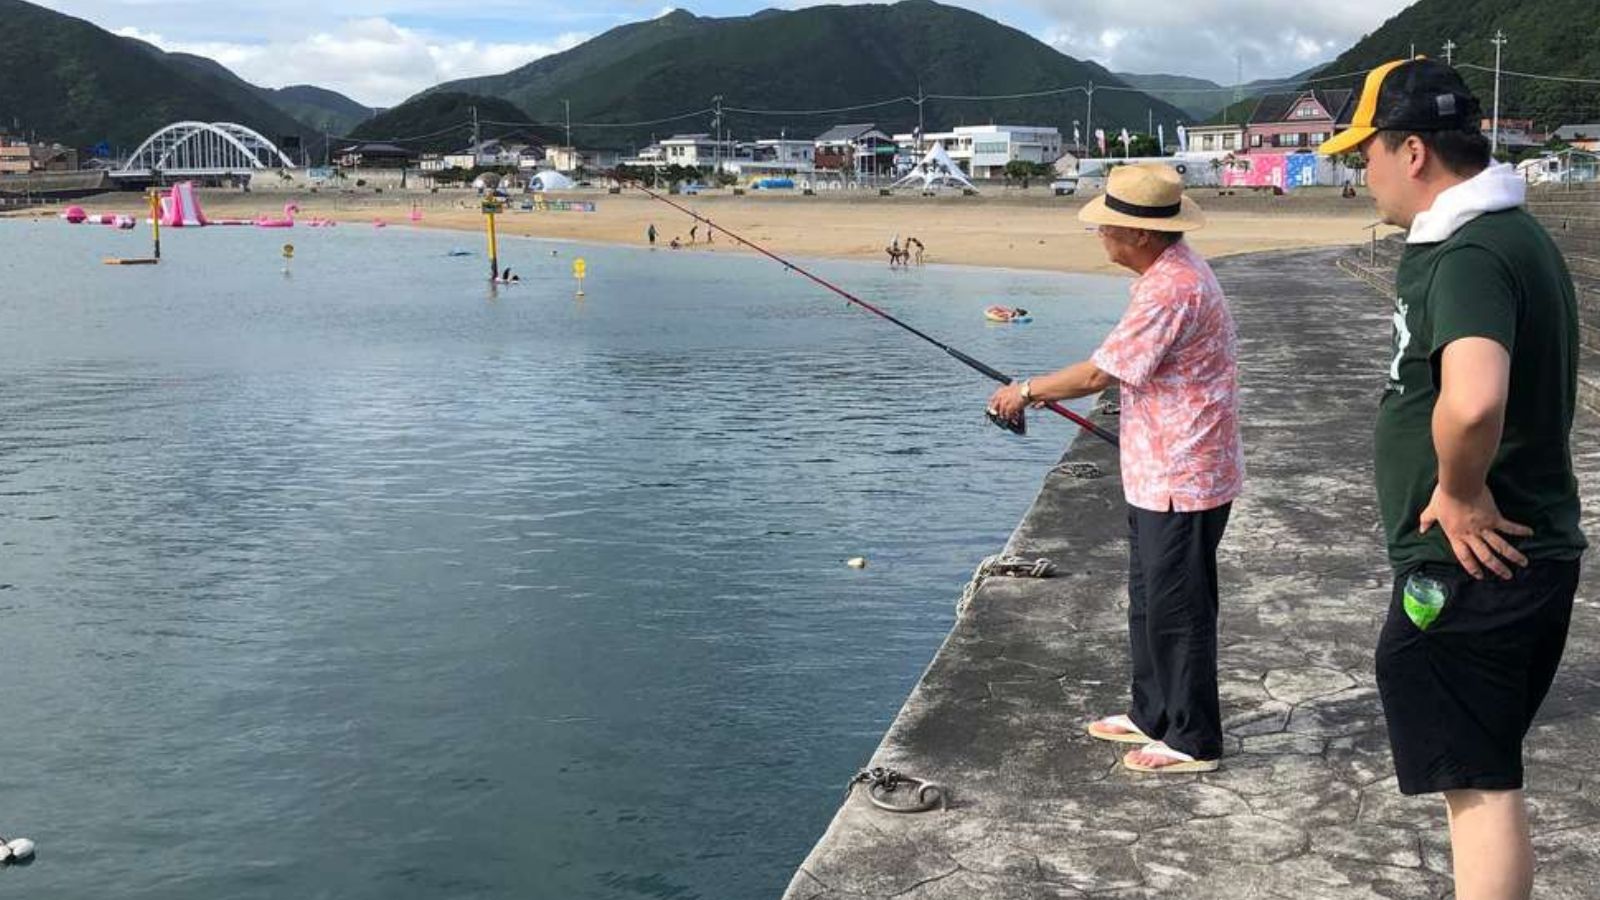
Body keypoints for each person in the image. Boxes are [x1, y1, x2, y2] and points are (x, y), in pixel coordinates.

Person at [1316, 58, 1584, 900]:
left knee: (1478, 780)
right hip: (1502, 561)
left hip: (1480, 563)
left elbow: (1472, 402)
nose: (1363, 176)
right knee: (1476, 771)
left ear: (1415, 153)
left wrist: (1460, 490)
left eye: (1367, 156)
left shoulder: (1469, 251)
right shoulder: (1503, 234)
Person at [988, 163, 1241, 774]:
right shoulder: (1166, 273)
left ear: (1143, 236)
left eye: (1108, 226)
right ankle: (1152, 712)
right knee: (1149, 596)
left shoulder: (1170, 289)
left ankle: (1193, 739)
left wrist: (1025, 389)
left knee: (1178, 607)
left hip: (1183, 475)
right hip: (1158, 470)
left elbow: (1100, 374)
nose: (1101, 235)